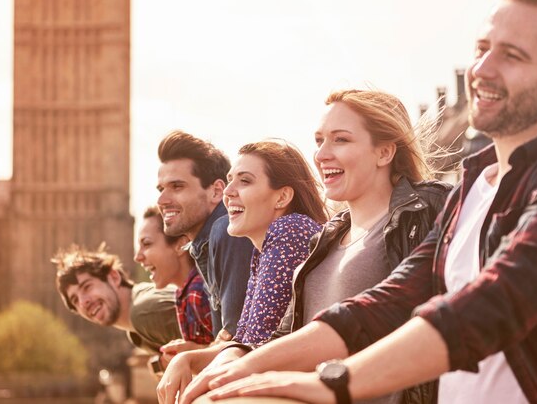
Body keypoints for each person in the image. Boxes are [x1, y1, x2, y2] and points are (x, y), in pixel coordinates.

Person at [191, 0, 537, 403]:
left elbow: (491, 307)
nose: (482, 68)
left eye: (512, 55)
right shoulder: (472, 187)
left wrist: (333, 382)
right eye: (482, 48)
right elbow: (388, 302)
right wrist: (244, 363)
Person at [157, 90, 451, 404]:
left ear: (384, 153)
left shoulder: (427, 212)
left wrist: (240, 365)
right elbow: (282, 336)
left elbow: (419, 323)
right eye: (319, 140)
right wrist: (229, 355)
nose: (321, 154)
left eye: (340, 140)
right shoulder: (325, 239)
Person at [225, 140, 326, 345]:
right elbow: (243, 340)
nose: (228, 192)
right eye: (230, 180)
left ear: (282, 197)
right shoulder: (263, 249)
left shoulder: (291, 230)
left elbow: (257, 342)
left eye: (244, 181)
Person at [156, 131, 254, 340]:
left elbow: (237, 342)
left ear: (216, 191)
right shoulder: (205, 244)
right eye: (161, 189)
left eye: (177, 186)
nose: (162, 200)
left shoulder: (227, 231)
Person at [53, 244, 181, 357]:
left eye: (87, 287)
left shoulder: (144, 311)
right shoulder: (135, 333)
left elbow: (200, 347)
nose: (83, 302)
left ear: (114, 277)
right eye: (75, 300)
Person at [134, 206, 213, 367]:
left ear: (180, 245)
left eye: (147, 244)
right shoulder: (184, 293)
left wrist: (197, 353)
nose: (138, 257)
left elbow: (238, 349)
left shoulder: (199, 292)